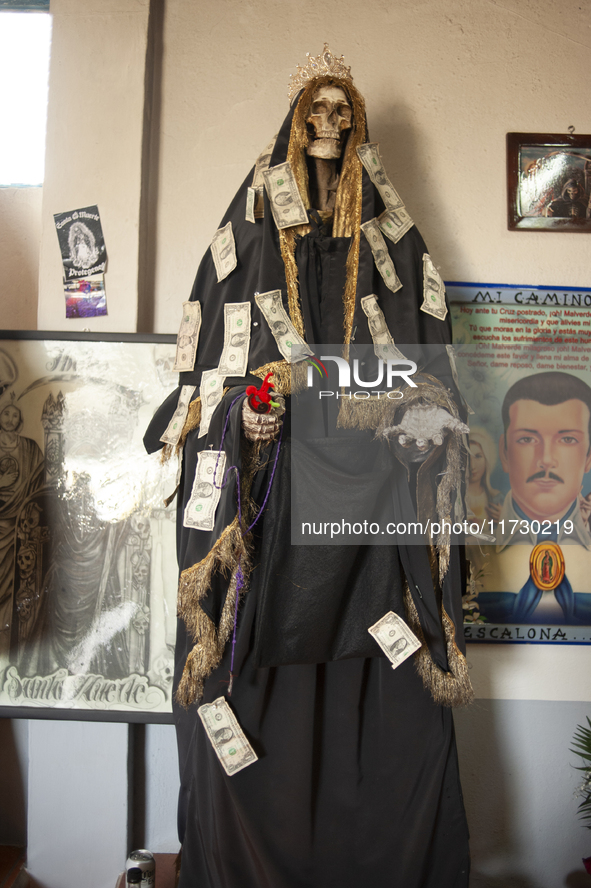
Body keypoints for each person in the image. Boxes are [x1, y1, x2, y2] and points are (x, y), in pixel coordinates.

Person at [145, 45, 472, 888]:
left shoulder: (393, 246)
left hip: (369, 521)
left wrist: (407, 412)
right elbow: (210, 376)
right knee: (244, 693)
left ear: (356, 127)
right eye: (314, 115)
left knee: (395, 699)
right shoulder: (249, 236)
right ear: (294, 127)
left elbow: (431, 378)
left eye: (342, 115)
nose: (327, 129)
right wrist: (246, 418)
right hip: (275, 511)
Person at [471, 371, 591, 625]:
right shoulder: (470, 542)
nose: (546, 459)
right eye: (527, 439)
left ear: (589, 456)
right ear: (504, 452)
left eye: (567, 439)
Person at [0, 401, 44, 659]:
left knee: (15, 577)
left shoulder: (29, 448)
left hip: (19, 523)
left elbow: (41, 483)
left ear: (19, 421)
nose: (9, 418)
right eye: (6, 413)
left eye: (14, 415)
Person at [466, 426, 502, 522]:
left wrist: (503, 520)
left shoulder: (495, 498)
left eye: (478, 456)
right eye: (467, 459)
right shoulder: (456, 498)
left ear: (487, 459)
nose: (472, 466)